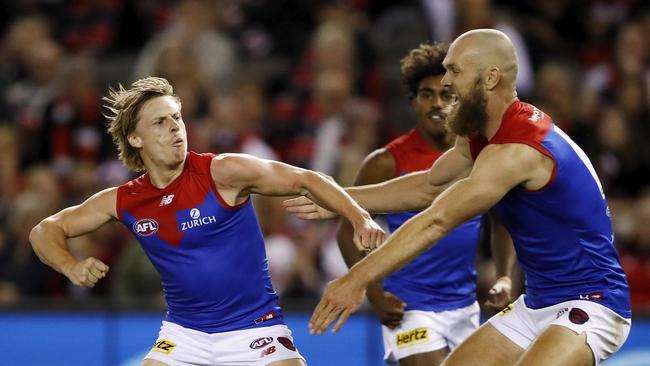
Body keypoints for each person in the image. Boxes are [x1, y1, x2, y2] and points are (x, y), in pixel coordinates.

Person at [284, 29, 632, 366]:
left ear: (491, 77)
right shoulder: (482, 134)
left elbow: (438, 219)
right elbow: (428, 186)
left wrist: (355, 278)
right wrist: (339, 199)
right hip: (538, 303)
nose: (446, 81)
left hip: (591, 302)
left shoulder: (517, 150)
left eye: (455, 70)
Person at [29, 76, 385, 366]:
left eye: (176, 118)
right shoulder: (124, 200)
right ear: (135, 138)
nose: (174, 128)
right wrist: (70, 267)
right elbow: (45, 230)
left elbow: (308, 179)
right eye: (159, 122)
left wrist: (360, 218)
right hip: (183, 336)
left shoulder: (223, 171)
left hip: (254, 331)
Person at [335, 42, 515, 366]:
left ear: (458, 99)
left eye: (446, 95)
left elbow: (503, 221)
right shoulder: (385, 162)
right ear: (412, 102)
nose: (437, 104)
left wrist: (504, 276)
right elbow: (346, 232)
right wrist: (375, 295)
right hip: (409, 308)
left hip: (465, 308)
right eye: (426, 95)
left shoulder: (480, 156)